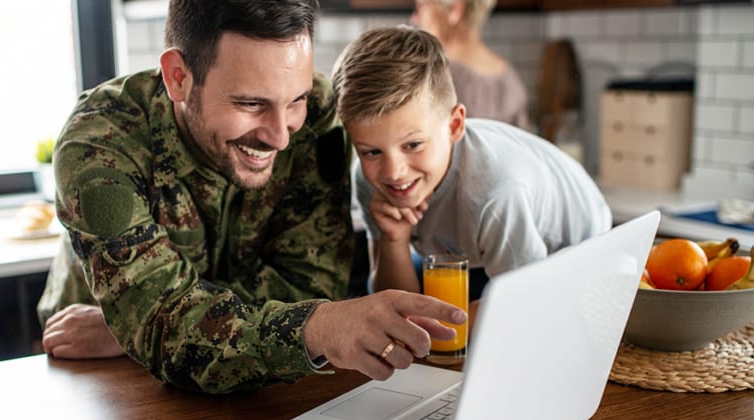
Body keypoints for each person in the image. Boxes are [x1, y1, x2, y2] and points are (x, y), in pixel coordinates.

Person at [38, 0, 466, 395]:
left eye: (294, 100)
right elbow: (164, 332)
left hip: (256, 385)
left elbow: (308, 287)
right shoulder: (101, 145)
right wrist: (156, 325)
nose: (280, 136)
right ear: (178, 78)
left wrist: (153, 320)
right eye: (250, 103)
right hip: (93, 373)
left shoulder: (317, 114)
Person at [330, 25, 611, 328]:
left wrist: (431, 338)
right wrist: (393, 240)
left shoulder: (495, 192)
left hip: (575, 251)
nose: (393, 172)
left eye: (412, 145)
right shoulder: (369, 180)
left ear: (454, 126)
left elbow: (525, 305)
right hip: (473, 252)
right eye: (371, 152)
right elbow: (397, 307)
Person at [411, 0, 530, 129]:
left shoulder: (433, 75)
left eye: (421, 6)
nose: (414, 18)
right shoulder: (511, 80)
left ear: (454, 10)